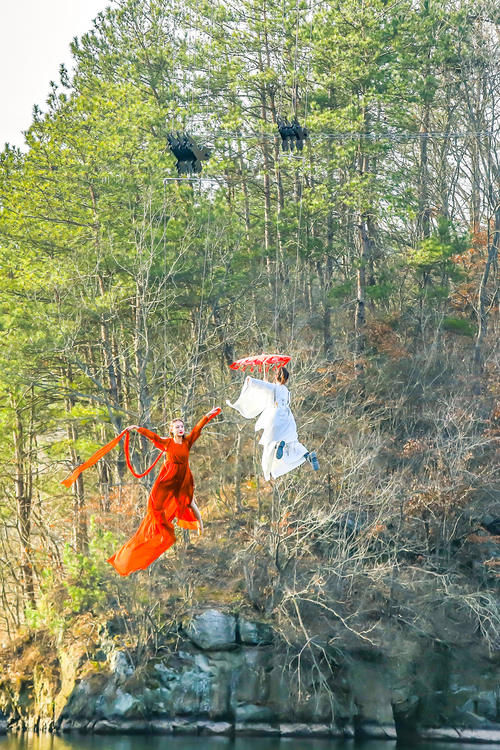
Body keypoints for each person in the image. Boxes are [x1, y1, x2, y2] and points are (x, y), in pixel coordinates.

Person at [61, 407, 221, 576]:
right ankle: (155, 533)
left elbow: (198, 428)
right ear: (171, 430)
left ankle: (200, 525)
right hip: (167, 479)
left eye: (182, 426)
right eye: (177, 427)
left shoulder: (188, 441)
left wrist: (208, 415)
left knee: (188, 502)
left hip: (182, 478)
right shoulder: (167, 442)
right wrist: (137, 429)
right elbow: (153, 436)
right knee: (155, 506)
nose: (181, 429)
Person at [226, 366, 318, 481]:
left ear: (276, 377)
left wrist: (251, 380)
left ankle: (271, 465)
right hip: (288, 420)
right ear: (286, 379)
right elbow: (272, 389)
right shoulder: (286, 391)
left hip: (276, 419)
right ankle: (306, 455)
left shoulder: (273, 387)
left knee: (269, 447)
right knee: (293, 443)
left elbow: (263, 386)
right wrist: (266, 383)